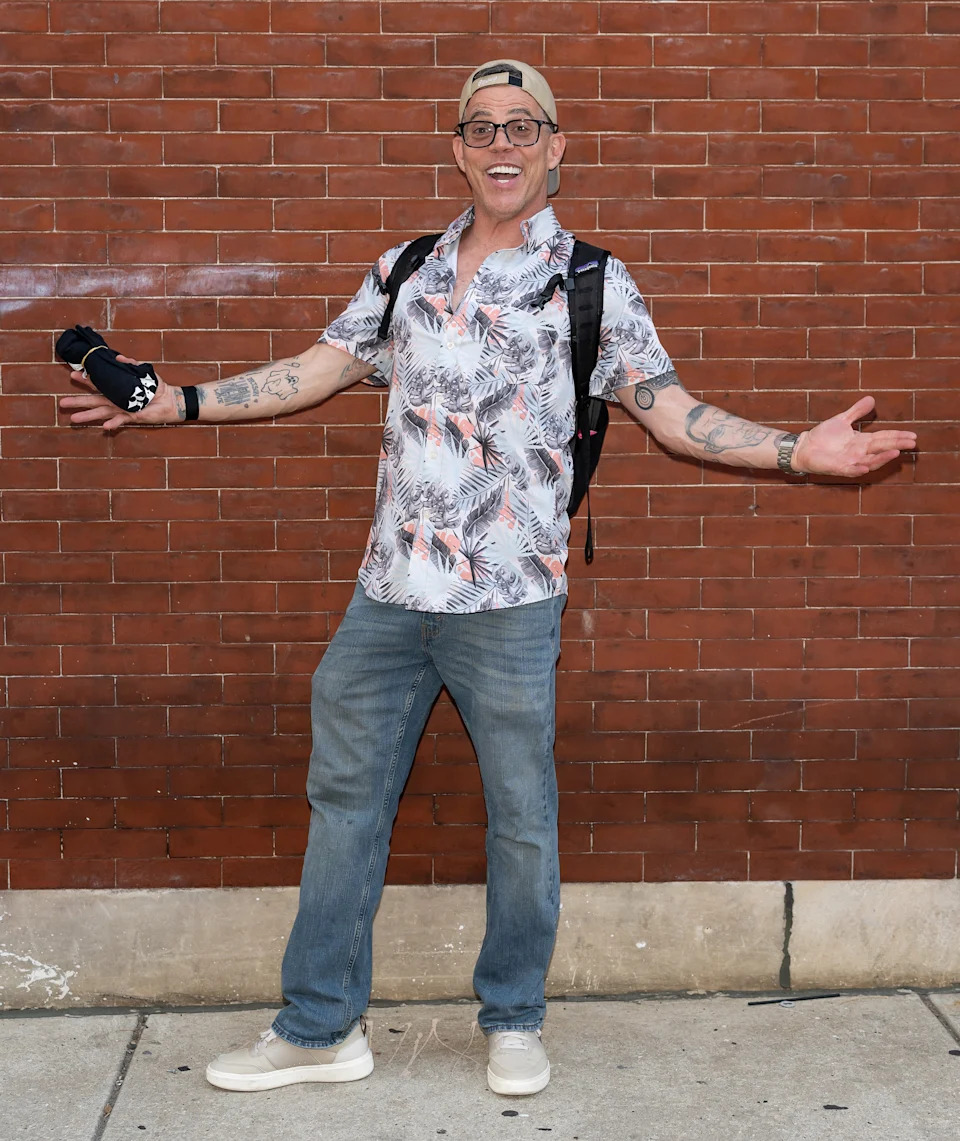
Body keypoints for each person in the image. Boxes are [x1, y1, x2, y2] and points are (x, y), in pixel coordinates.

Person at [60, 60, 917, 1097]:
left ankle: (513, 1016)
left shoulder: (592, 283)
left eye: (523, 127)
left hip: (510, 602)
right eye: (481, 128)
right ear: (458, 148)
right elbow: (317, 370)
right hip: (388, 596)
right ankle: (321, 1026)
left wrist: (796, 451)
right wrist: (178, 404)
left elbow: (672, 412)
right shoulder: (406, 270)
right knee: (345, 808)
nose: (501, 145)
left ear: (557, 148)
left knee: (521, 814)